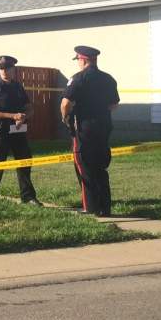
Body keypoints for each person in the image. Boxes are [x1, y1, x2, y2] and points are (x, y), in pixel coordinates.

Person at [60, 45, 120, 216]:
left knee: (84, 168)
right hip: (104, 128)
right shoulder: (108, 79)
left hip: (84, 129)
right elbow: (114, 104)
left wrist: (65, 118)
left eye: (78, 60)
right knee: (101, 168)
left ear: (83, 59)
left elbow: (65, 103)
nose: (78, 63)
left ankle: (90, 207)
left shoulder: (78, 78)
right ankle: (105, 207)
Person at [0, 55, 42, 205]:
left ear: (13, 69)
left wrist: (23, 117)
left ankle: (28, 197)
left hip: (18, 130)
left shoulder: (18, 87)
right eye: (1, 68)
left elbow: (29, 109)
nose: (3, 71)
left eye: (6, 68)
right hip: (0, 131)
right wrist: (12, 116)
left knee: (24, 163)